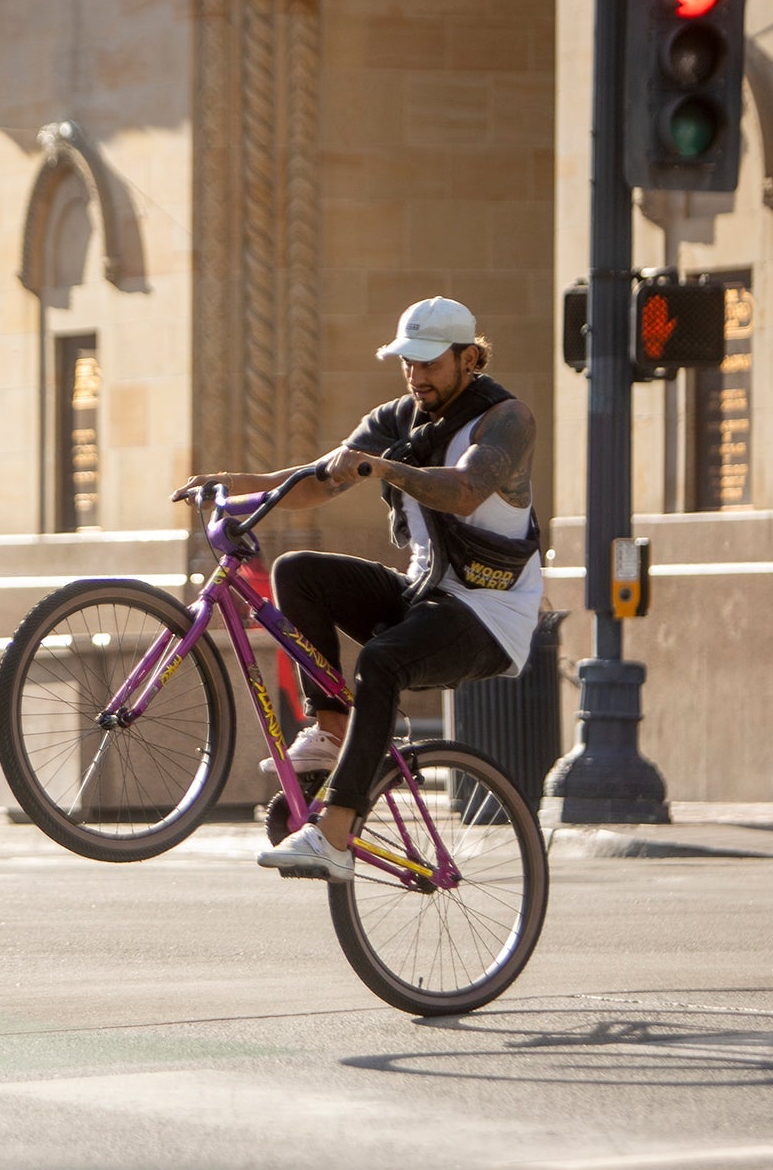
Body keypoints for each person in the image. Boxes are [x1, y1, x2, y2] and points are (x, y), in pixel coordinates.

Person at [173, 296, 543, 880]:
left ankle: (335, 835)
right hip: (426, 592)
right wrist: (229, 486)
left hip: (490, 613)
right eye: (408, 363)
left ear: (469, 357)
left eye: (430, 363)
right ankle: (332, 729)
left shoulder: (506, 418)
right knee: (297, 572)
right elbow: (308, 484)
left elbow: (467, 488)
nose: (416, 376)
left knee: (382, 661)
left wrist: (385, 469)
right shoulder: (397, 418)